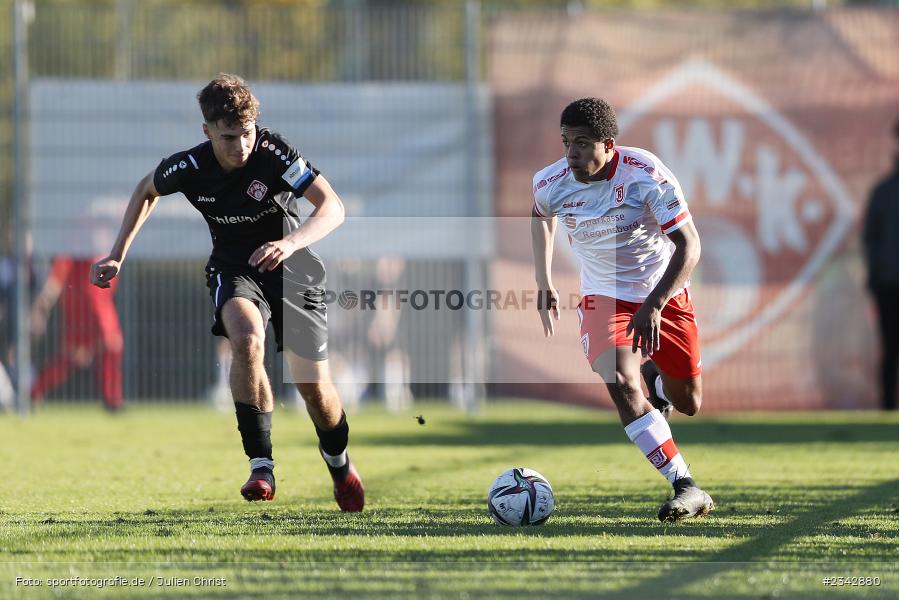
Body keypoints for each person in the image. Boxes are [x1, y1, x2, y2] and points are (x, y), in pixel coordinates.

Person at [90, 73, 364, 511]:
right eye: (229, 136)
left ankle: (339, 464)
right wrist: (117, 254)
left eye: (247, 134)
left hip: (295, 269)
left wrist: (290, 243)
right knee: (246, 339)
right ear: (208, 132)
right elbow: (146, 190)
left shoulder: (274, 153)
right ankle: (261, 465)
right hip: (236, 269)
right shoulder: (191, 167)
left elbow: (333, 207)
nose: (241, 145)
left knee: (312, 386)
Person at [531, 98, 713, 522]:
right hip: (602, 296)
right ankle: (686, 484)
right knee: (616, 378)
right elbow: (540, 214)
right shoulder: (551, 181)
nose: (571, 154)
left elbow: (691, 245)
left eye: (581, 143)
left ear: (608, 144)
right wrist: (544, 281)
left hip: (663, 295)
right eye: (565, 143)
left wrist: (655, 304)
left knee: (689, 403)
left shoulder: (645, 174)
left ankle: (657, 379)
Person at [31, 255, 124, 411]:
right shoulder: (78, 246)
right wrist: (43, 304)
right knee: (77, 356)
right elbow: (58, 275)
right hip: (84, 308)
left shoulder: (109, 247)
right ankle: (33, 391)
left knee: (101, 350)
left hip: (98, 305)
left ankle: (113, 399)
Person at [862, 118, 899, 411]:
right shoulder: (884, 192)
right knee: (891, 348)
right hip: (889, 283)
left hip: (886, 279)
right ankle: (888, 407)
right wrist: (876, 277)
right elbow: (870, 238)